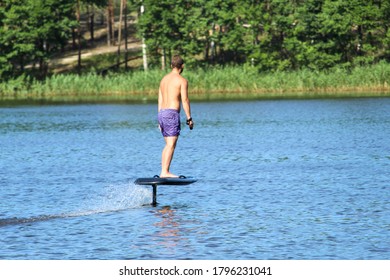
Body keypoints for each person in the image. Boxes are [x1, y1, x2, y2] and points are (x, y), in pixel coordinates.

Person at [158, 55, 194, 178]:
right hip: (171, 114)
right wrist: (189, 118)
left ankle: (163, 170)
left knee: (168, 144)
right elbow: (185, 100)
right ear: (182, 66)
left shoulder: (163, 79)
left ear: (171, 66)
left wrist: (159, 118)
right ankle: (164, 172)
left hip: (162, 113)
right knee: (171, 144)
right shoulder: (181, 80)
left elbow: (160, 98)